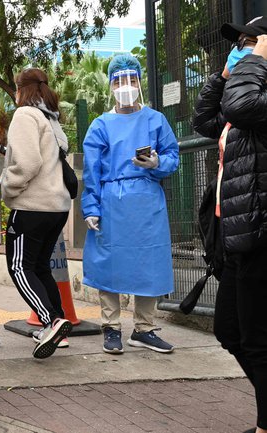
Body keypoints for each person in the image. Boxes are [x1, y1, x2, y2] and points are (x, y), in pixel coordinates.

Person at [193, 16, 267, 433]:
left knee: (257, 340)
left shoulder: (256, 102)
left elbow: (240, 106)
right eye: (239, 42)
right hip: (235, 235)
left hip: (260, 232)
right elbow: (204, 120)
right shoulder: (243, 100)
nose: (241, 48)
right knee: (230, 331)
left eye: (250, 41)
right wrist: (223, 75)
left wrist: (255, 63)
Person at [81, 54, 179, 355]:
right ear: (111, 85)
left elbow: (173, 158)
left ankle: (145, 329)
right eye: (120, 81)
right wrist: (91, 207)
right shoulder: (100, 125)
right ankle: (111, 328)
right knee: (107, 262)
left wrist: (156, 162)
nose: (126, 86)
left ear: (139, 83)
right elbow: (92, 171)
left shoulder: (155, 120)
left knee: (148, 263)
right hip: (112, 200)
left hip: (147, 201)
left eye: (132, 80)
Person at [2, 68, 73, 360]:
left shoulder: (25, 115)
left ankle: (52, 321)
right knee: (40, 267)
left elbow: (28, 163)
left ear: (20, 90)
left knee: (20, 267)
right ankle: (57, 324)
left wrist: (8, 187)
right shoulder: (50, 117)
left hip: (31, 206)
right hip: (57, 207)